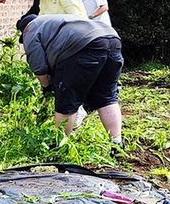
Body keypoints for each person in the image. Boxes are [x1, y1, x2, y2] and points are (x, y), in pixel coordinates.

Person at [17, 13, 125, 144]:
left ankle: (60, 146)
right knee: (106, 97)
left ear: (23, 31)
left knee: (67, 101)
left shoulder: (30, 29)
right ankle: (117, 144)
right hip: (112, 39)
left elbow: (39, 66)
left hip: (83, 46)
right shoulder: (55, 20)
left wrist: (47, 87)